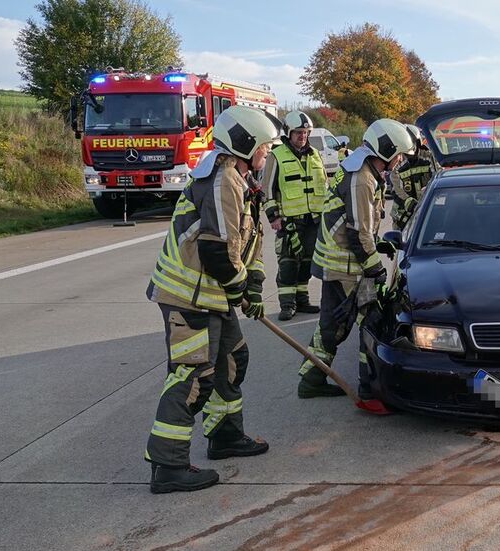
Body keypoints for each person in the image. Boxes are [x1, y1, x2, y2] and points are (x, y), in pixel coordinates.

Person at [144, 105, 281, 494]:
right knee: (193, 377)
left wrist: (252, 284)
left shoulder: (240, 180)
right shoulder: (223, 179)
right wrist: (239, 289)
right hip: (189, 297)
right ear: (246, 143)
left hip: (212, 295)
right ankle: (168, 467)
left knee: (233, 359)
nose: (267, 154)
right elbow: (219, 250)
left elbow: (244, 243)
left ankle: (224, 437)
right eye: (265, 147)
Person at [298, 119, 415, 399]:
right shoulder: (361, 178)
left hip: (344, 264)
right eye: (398, 154)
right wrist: (376, 269)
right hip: (346, 267)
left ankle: (314, 379)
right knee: (360, 323)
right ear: (385, 150)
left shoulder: (364, 170)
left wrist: (378, 245)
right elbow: (358, 233)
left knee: (337, 323)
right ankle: (368, 387)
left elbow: (361, 228)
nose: (399, 160)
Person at [262, 111, 328, 320]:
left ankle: (302, 300)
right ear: (289, 133)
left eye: (306, 132)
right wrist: (274, 216)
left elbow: (324, 184)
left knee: (308, 263)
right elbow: (267, 189)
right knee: (288, 264)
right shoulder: (276, 155)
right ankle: (287, 305)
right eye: (298, 132)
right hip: (289, 222)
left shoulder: (315, 154)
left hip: (313, 221)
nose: (303, 136)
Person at [390, 124, 438, 231]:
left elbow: (437, 178)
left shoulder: (429, 157)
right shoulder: (397, 161)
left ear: (416, 141)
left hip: (427, 211)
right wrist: (409, 202)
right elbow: (396, 189)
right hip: (403, 216)